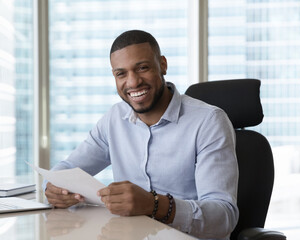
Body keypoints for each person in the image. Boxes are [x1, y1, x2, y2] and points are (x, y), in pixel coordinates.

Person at [43, 30, 239, 239]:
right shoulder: (114, 119)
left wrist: (156, 205)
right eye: (121, 74)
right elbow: (65, 170)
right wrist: (55, 188)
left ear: (162, 64)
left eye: (142, 68)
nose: (133, 82)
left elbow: (224, 217)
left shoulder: (209, 121)